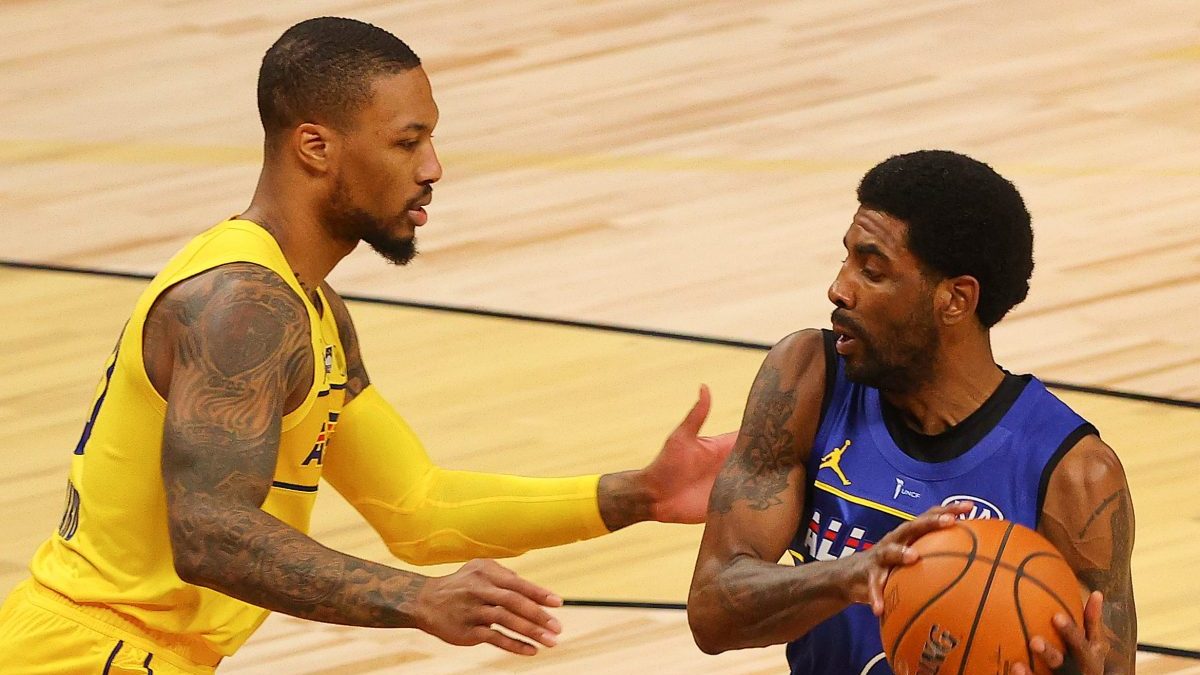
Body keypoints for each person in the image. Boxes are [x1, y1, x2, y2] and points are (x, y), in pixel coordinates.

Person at [0, 17, 735, 674]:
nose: (432, 168)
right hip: (92, 655)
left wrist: (639, 494)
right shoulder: (242, 305)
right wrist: (418, 600)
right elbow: (210, 536)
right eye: (407, 142)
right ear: (315, 147)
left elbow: (418, 508)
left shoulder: (309, 306)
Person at [687, 150, 1136, 675]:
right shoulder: (808, 378)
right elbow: (713, 611)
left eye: (872, 271)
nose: (839, 289)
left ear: (955, 299)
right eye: (845, 259)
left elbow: (1108, 663)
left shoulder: (1073, 475)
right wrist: (852, 575)